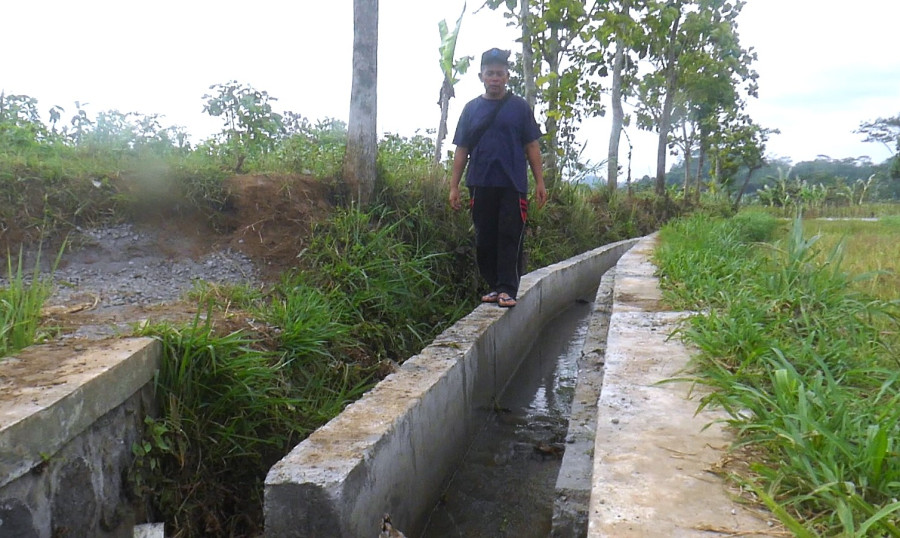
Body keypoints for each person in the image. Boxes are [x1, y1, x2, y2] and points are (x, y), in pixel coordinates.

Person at [449, 47, 547, 308]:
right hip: (480, 182)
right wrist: (454, 186)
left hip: (512, 184)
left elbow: (532, 147)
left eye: (499, 73)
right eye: (490, 73)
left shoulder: (519, 108)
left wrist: (540, 182)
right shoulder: (471, 109)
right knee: (485, 237)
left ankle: (507, 288)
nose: (494, 78)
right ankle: (494, 285)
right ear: (481, 76)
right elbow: (462, 149)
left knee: (509, 236)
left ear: (507, 76)